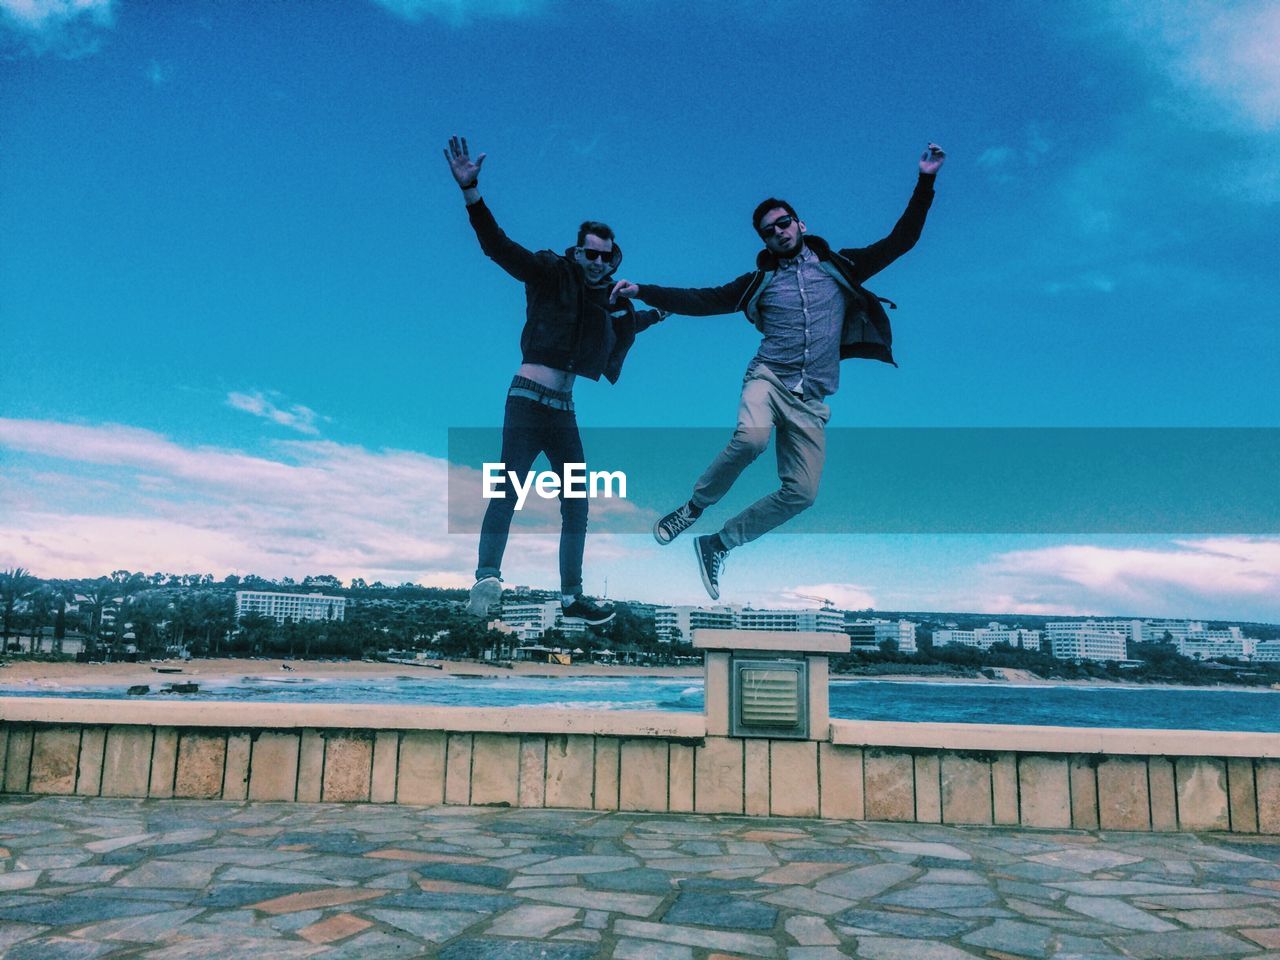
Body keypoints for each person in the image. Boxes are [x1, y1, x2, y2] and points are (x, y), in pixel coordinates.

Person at [610, 144, 946, 599]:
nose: (779, 232)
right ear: (764, 241)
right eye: (769, 231)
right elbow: (703, 299)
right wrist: (645, 290)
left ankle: (718, 542)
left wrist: (926, 179)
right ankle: (693, 508)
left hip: (811, 399)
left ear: (800, 225)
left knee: (802, 494)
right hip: (767, 380)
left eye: (784, 223)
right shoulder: (758, 283)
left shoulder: (841, 266)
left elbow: (902, 239)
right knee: (751, 439)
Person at [445, 136, 667, 624]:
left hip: (564, 410)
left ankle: (572, 598)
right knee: (509, 488)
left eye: (606, 258)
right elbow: (497, 247)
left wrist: (657, 312)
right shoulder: (550, 271)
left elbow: (623, 326)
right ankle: (486, 577)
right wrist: (471, 192)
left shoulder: (606, 298)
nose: (597, 263)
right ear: (578, 250)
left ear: (613, 258)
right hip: (527, 399)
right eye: (590, 255)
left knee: (577, 503)